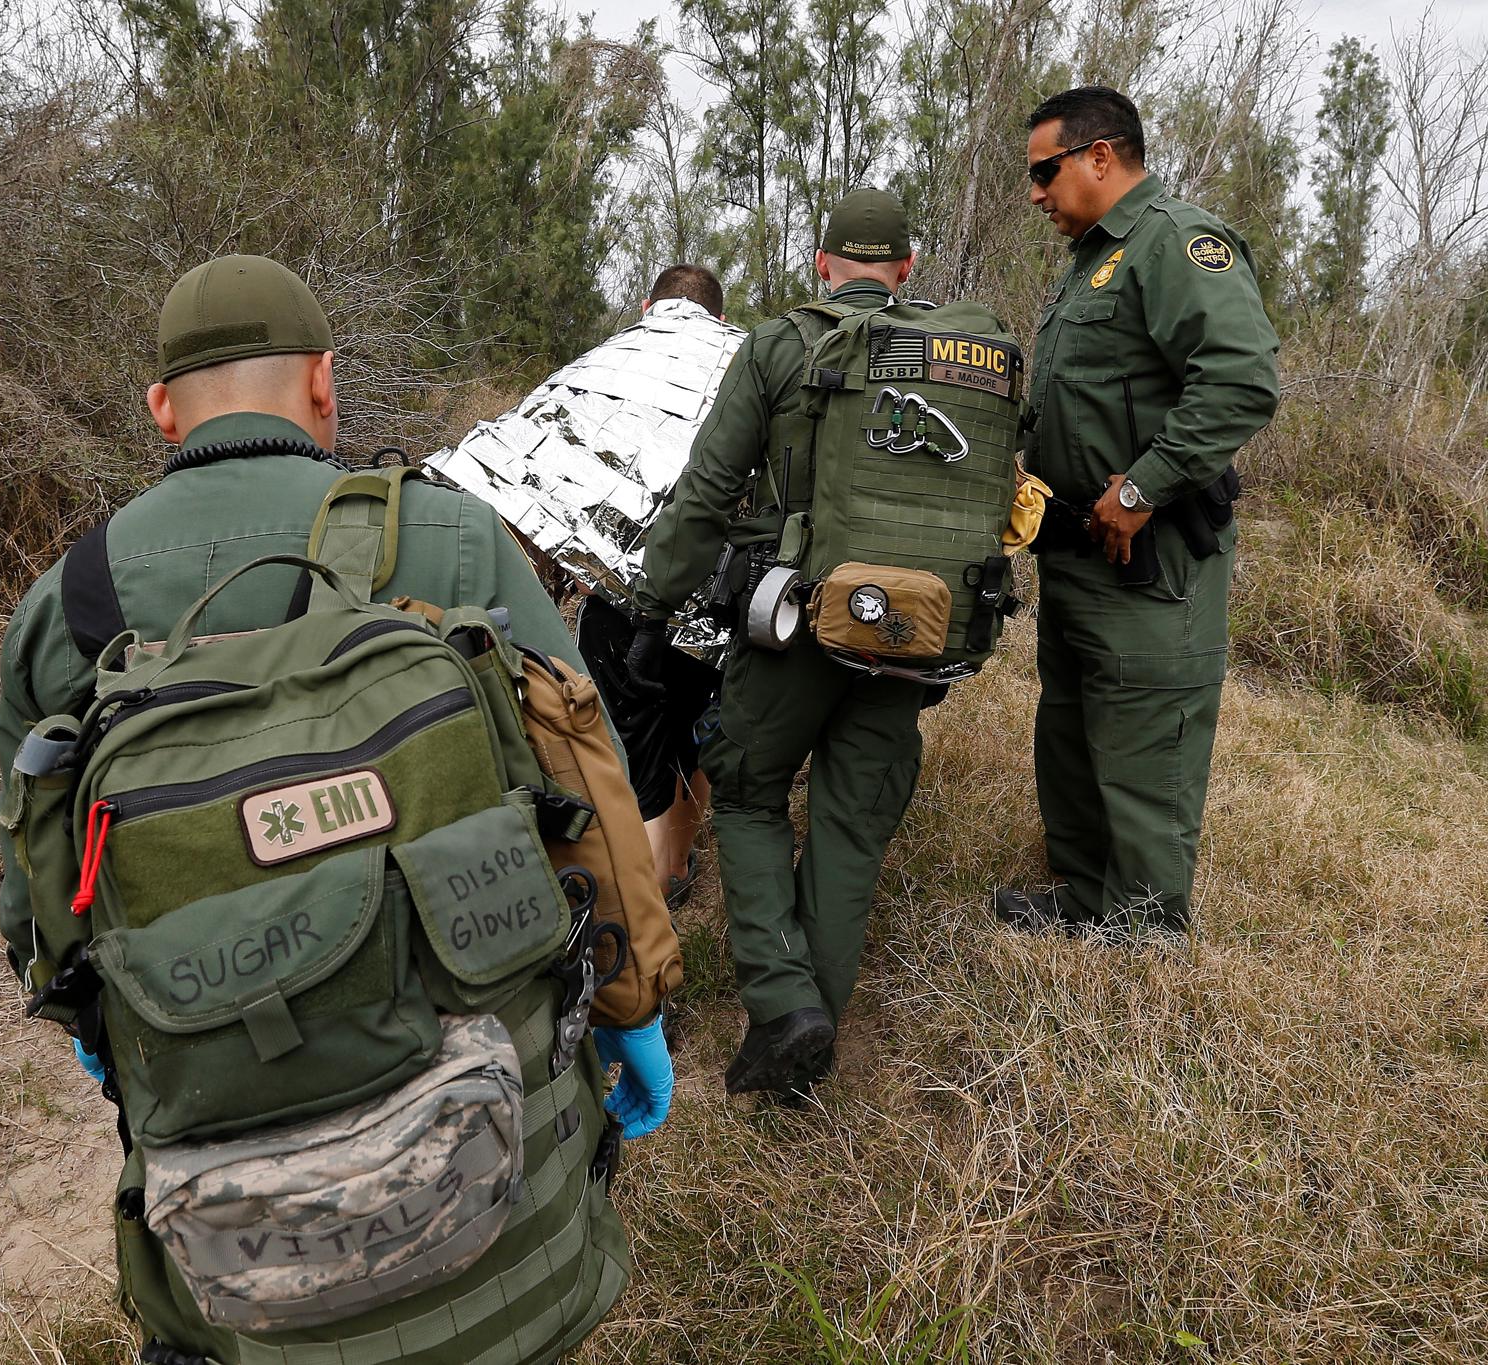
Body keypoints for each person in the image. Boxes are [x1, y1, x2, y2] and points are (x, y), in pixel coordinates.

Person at [0, 254, 671, 1365]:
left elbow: (34, 896)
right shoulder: (452, 536)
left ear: (163, 409)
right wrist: (633, 1003)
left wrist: (111, 1036)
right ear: (322, 383)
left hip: (219, 1123)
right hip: (482, 1104)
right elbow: (589, 790)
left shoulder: (69, 603)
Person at [626, 191, 933, 1100]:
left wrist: (653, 607)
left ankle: (785, 1003)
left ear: (821, 265)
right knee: (850, 825)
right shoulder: (955, 357)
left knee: (750, 791)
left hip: (794, 621)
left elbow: (707, 491)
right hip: (908, 632)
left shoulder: (778, 346)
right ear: (907, 269)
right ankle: (809, 1040)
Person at [995, 87, 1279, 937]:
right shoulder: (1090, 260)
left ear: (1100, 155)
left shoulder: (1176, 242)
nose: (1035, 194)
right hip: (1079, 552)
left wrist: (1140, 488)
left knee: (1146, 741)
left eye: (1044, 171)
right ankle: (1085, 896)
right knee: (1074, 731)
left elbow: (1241, 381)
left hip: (1153, 562)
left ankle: (1145, 935)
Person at [426, 263, 746, 903]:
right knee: (694, 731)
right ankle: (678, 859)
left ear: (648, 306)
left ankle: (650, 894)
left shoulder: (613, 359)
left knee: (637, 755)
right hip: (718, 610)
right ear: (719, 315)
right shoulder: (746, 363)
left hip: (623, 618)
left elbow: (528, 460)